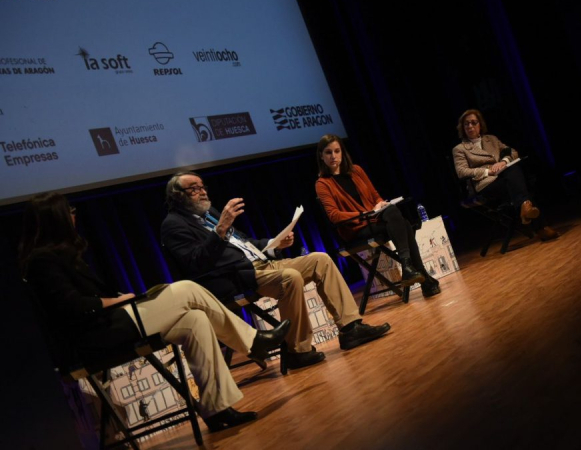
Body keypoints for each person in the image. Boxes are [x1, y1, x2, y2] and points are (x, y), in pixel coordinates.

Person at [20, 192, 291, 432]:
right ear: (56, 219)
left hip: (110, 323)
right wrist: (118, 301)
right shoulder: (41, 262)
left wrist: (116, 299)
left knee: (195, 319)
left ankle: (218, 409)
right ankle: (253, 342)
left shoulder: (63, 254)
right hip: (97, 335)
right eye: (70, 211)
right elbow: (74, 308)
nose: (74, 215)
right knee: (186, 289)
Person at [161, 171, 391, 370]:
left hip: (262, 264)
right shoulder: (173, 225)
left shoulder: (209, 213)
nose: (202, 192)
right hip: (235, 278)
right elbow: (195, 263)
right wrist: (220, 229)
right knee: (289, 277)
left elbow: (244, 243)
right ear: (177, 196)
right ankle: (297, 351)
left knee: (320, 259)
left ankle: (351, 328)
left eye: (202, 187)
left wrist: (274, 243)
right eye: (194, 189)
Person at [315, 134, 441, 297]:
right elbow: (334, 215)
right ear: (321, 156)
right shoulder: (322, 183)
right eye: (328, 152)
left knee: (393, 212)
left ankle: (410, 269)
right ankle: (419, 275)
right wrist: (364, 213)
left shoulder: (356, 171)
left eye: (337, 151)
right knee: (404, 224)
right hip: (355, 229)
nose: (333, 156)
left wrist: (381, 203)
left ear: (342, 152)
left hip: (374, 219)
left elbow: (374, 195)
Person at [452, 109, 559, 241]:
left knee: (513, 172)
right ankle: (540, 225)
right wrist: (488, 171)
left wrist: (503, 161)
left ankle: (526, 207)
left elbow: (512, 152)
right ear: (462, 128)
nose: (470, 126)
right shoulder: (460, 149)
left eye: (473, 123)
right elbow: (462, 172)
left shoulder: (492, 139)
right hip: (484, 185)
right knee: (518, 183)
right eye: (466, 124)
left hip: (503, 178)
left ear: (480, 125)